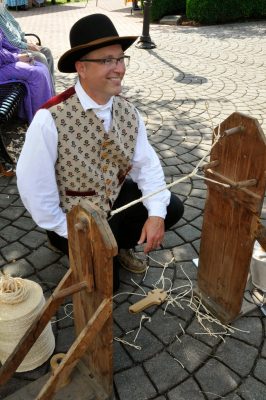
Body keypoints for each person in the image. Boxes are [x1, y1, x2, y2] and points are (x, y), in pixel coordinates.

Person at [16, 14, 184, 291]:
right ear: (81, 67)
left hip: (112, 203)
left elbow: (147, 165)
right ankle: (69, 247)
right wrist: (66, 230)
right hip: (73, 220)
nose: (118, 68)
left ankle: (121, 246)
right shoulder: (51, 118)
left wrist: (155, 216)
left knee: (170, 208)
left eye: (120, 59)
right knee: (107, 289)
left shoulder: (128, 112)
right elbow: (34, 187)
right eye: (107, 60)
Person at [0, 28, 54, 122]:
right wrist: (18, 57)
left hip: (4, 63)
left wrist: (21, 53)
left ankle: (46, 111)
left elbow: (4, 43)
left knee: (40, 66)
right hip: (2, 65)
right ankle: (39, 121)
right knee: (36, 74)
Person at [0, 1, 54, 85]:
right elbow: (12, 43)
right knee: (41, 57)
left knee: (46, 51)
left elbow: (15, 26)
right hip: (13, 51)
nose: (2, 1)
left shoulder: (3, 10)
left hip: (18, 45)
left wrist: (25, 40)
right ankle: (48, 89)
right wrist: (27, 46)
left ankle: (51, 88)